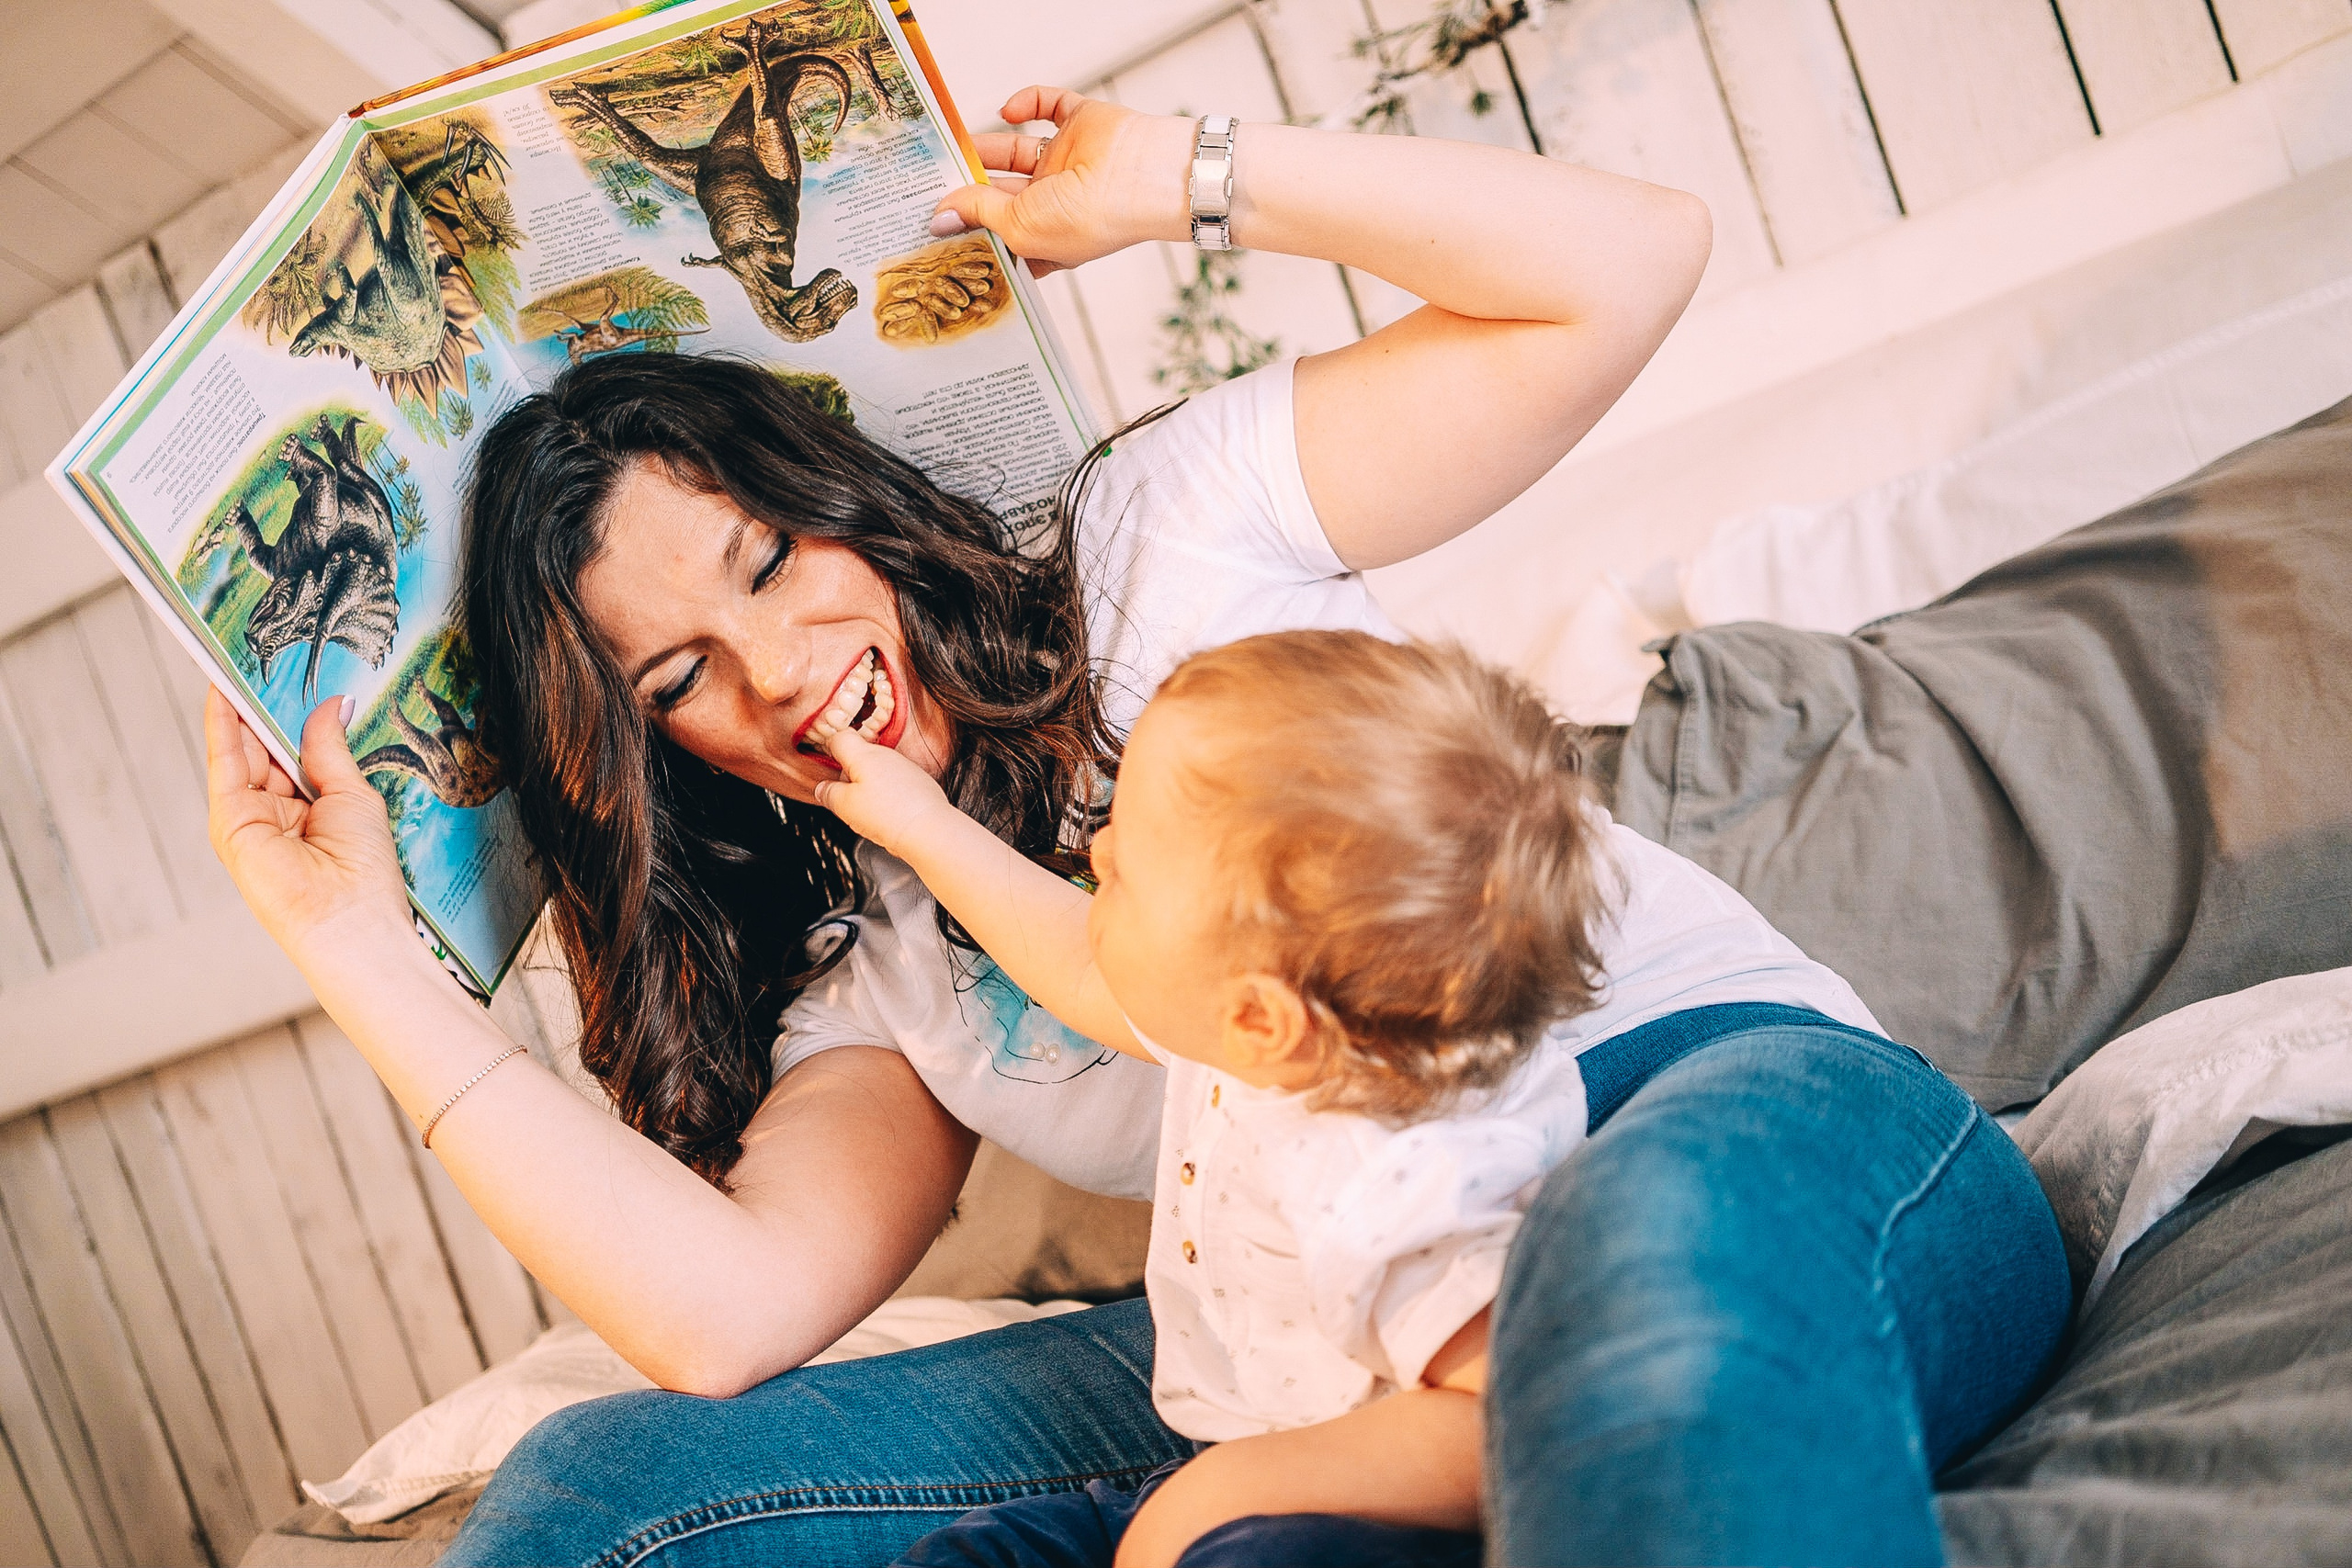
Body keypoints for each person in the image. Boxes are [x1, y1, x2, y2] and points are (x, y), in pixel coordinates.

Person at [204, 85, 2067, 1567]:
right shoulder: (881, 958)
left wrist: (1180, 176)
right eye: (676, 677)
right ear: (645, 751)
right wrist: (352, 952)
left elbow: (1626, 260)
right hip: (1308, 1339)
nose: (772, 670)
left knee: (1637, 1288)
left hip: (1684, 1115)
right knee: (603, 1498)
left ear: (833, 498)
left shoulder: (1151, 537)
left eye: (769, 561)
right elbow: (718, 1317)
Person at [817, 628, 1919, 1568]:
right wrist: (914, 821)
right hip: (1245, 1453)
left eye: (1128, 863)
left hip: (1348, 1516)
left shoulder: (1394, 1170)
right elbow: (1081, 965)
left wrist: (1211, 1505)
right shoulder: (1288, 1018)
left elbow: (1515, 1413)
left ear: (1256, 1014)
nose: (1094, 850)